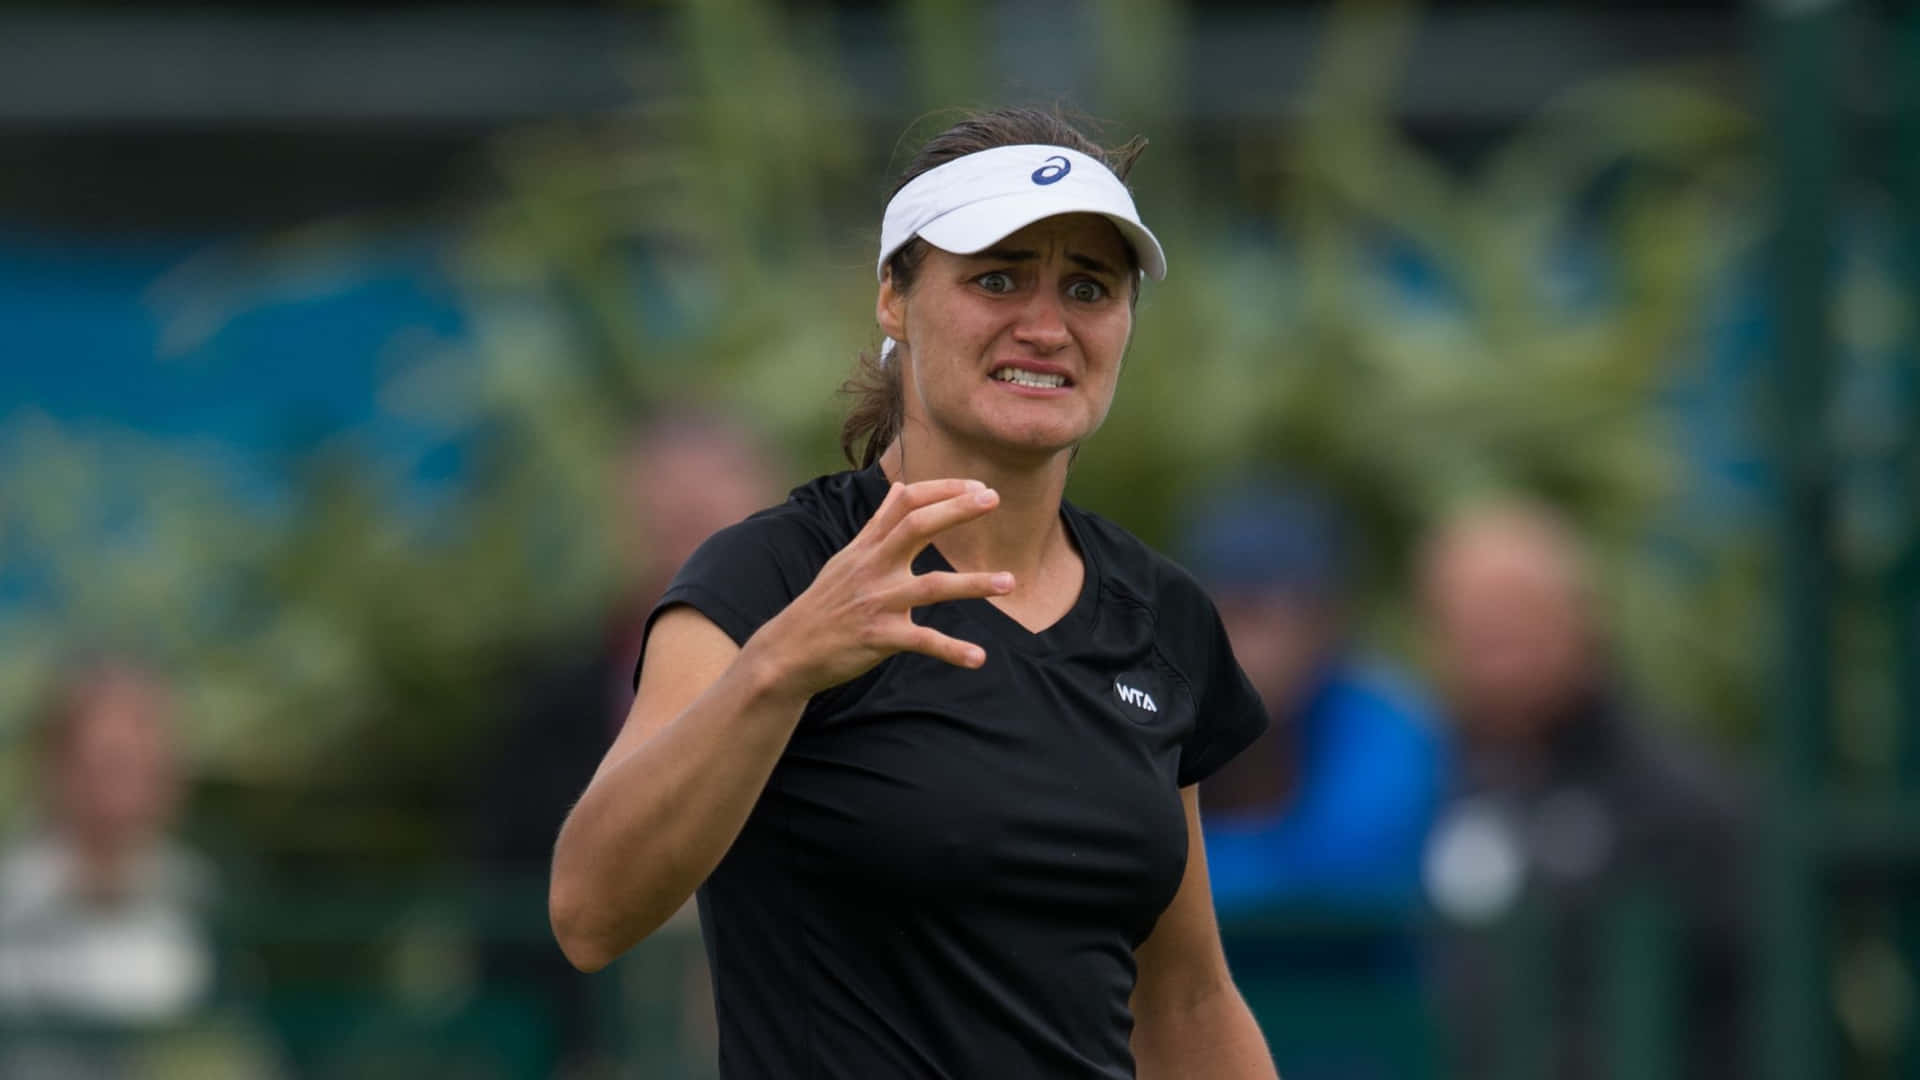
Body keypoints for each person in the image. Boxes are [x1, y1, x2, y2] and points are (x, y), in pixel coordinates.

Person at [549, 107, 1279, 1077]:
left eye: (1089, 288)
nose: (1047, 325)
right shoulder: (769, 579)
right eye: (997, 278)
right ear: (893, 297)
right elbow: (590, 913)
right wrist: (782, 666)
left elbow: (1186, 997)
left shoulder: (1163, 617)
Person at [470, 411, 778, 1075]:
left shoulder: (846, 683)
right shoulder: (552, 707)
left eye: (708, 517)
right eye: (670, 520)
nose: (694, 545)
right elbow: (509, 914)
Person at [1416, 501, 1748, 1080]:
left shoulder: (1679, 798)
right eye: (1473, 626)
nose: (1495, 650)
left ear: (1581, 619)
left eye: (1518, 617)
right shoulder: (1419, 778)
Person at [1181, 482, 1443, 911]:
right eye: (1225, 609)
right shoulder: (1151, 707)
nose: (1247, 642)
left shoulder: (1387, 718)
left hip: (1355, 974)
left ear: (1330, 619)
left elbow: (1346, 868)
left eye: (1259, 613)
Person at [0, 659, 219, 1076]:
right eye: (110, 762)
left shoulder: (200, 896)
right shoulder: (11, 901)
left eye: (145, 762)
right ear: (54, 768)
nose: (127, 788)